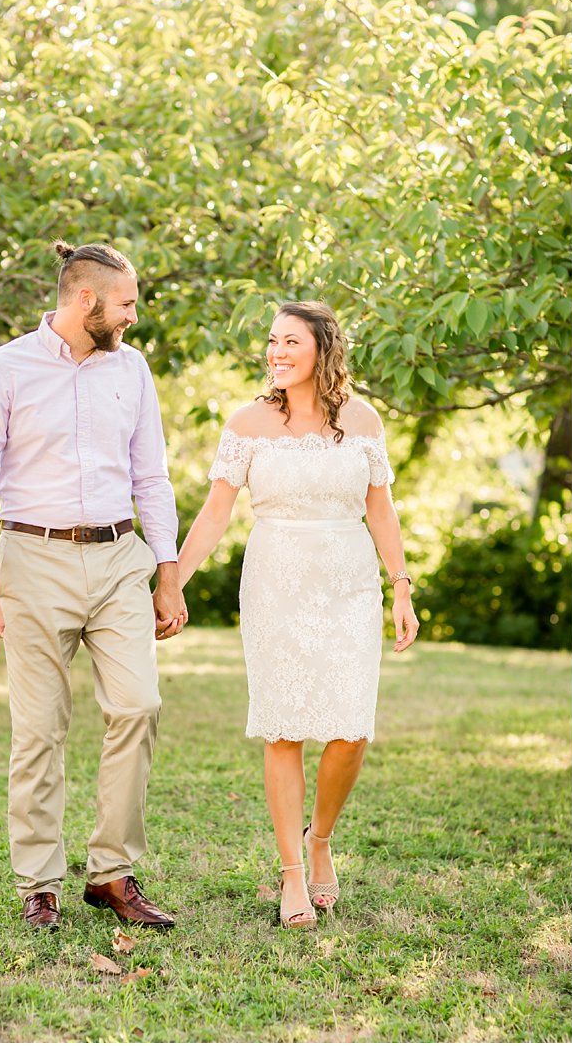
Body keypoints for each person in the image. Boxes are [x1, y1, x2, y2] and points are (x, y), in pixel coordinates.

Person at [0, 240, 187, 932]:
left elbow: (153, 477)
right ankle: (39, 884)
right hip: (32, 558)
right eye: (127, 304)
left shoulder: (132, 370)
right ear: (87, 300)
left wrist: (167, 573)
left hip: (119, 558)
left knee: (139, 704)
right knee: (39, 730)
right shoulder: (5, 369)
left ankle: (111, 872)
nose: (133, 318)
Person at [176, 299, 418, 930]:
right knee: (283, 727)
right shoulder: (248, 422)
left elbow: (381, 511)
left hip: (349, 580)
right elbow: (216, 513)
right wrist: (172, 577)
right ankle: (291, 874)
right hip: (275, 577)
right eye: (273, 342)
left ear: (322, 351)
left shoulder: (362, 420)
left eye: (292, 343)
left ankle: (321, 839)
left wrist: (402, 585)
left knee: (351, 729)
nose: (278, 352)